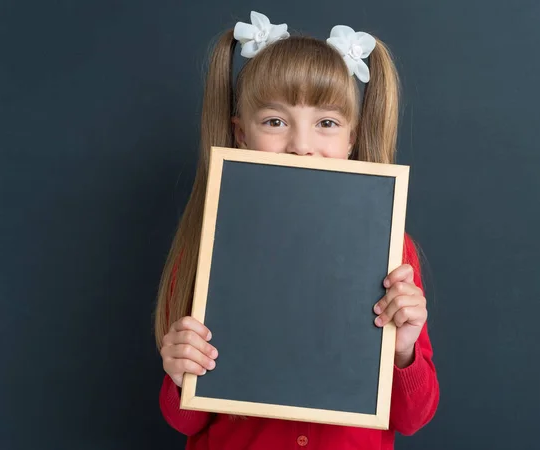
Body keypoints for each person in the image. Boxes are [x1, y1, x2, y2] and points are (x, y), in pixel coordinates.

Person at [153, 11, 439, 450]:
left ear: (351, 139)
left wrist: (403, 351)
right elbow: (186, 422)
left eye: (326, 123)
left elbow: (413, 416)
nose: (302, 145)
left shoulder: (390, 251)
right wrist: (181, 372)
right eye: (275, 121)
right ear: (241, 135)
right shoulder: (207, 244)